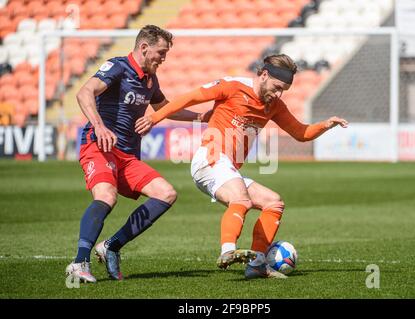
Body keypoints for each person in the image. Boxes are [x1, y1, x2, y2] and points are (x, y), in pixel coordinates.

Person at [136, 54, 348, 279]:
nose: (278, 94)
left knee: (274, 203)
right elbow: (189, 98)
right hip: (210, 158)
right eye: (277, 87)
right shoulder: (232, 86)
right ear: (264, 75)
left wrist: (326, 125)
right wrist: (154, 118)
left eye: (284, 90)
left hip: (227, 169)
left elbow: (301, 133)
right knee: (241, 199)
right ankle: (227, 250)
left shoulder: (274, 105)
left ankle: (256, 265)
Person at [65, 25, 211, 283]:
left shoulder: (150, 80)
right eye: (161, 53)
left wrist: (201, 117)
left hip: (128, 156)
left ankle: (111, 245)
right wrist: (99, 126)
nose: (163, 59)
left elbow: (164, 108)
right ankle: (79, 262)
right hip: (100, 146)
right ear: (144, 48)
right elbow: (84, 91)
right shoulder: (118, 67)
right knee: (106, 196)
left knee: (166, 193)